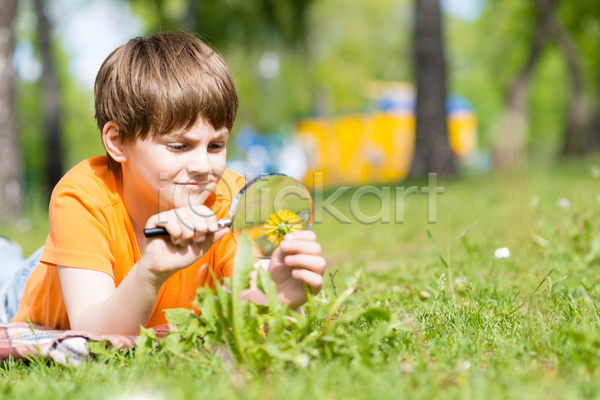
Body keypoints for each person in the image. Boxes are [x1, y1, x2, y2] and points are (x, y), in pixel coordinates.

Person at [1, 31, 326, 335]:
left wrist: (279, 296)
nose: (202, 167)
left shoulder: (229, 201)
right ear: (117, 142)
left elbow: (240, 314)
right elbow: (93, 334)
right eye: (178, 146)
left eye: (216, 146)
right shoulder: (83, 196)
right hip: (27, 290)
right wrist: (150, 272)